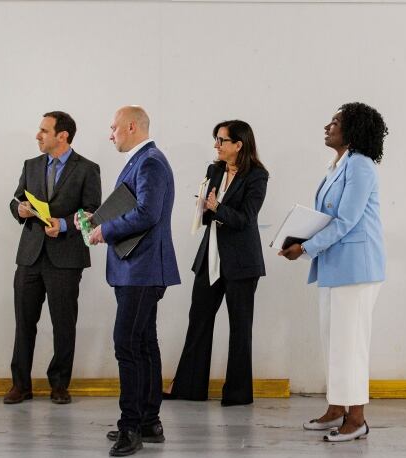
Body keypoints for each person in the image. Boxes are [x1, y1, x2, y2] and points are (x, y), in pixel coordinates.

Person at [279, 102, 387, 442]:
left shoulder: (361, 166)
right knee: (333, 343)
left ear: (352, 130)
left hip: (356, 269)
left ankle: (357, 419)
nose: (328, 126)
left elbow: (346, 220)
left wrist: (306, 247)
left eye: (336, 122)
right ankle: (337, 407)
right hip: (334, 267)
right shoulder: (338, 164)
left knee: (349, 345)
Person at [80, 106, 180, 456]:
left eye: (114, 128)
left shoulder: (149, 162)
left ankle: (131, 428)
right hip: (140, 269)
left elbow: (147, 214)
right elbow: (134, 206)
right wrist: (101, 218)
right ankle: (149, 421)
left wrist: (104, 230)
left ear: (132, 127)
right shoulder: (145, 160)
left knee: (127, 344)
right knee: (143, 344)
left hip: (142, 269)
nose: (110, 134)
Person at [163, 120, 268, 406]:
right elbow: (210, 215)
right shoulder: (215, 170)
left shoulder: (257, 176)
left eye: (221, 140)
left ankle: (237, 394)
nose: (216, 146)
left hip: (241, 262)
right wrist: (203, 209)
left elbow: (246, 218)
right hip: (210, 256)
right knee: (198, 320)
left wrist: (217, 208)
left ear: (239, 144)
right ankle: (188, 387)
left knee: (240, 327)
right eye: (216, 140)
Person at [6, 111, 101, 405]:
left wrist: (62, 224)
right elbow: (16, 199)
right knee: (24, 323)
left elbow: (93, 213)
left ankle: (59, 385)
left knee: (63, 324)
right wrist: (19, 209)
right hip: (30, 257)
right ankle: (20, 386)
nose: (38, 135)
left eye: (44, 131)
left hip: (66, 257)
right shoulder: (31, 165)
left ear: (63, 136)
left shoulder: (87, 168)